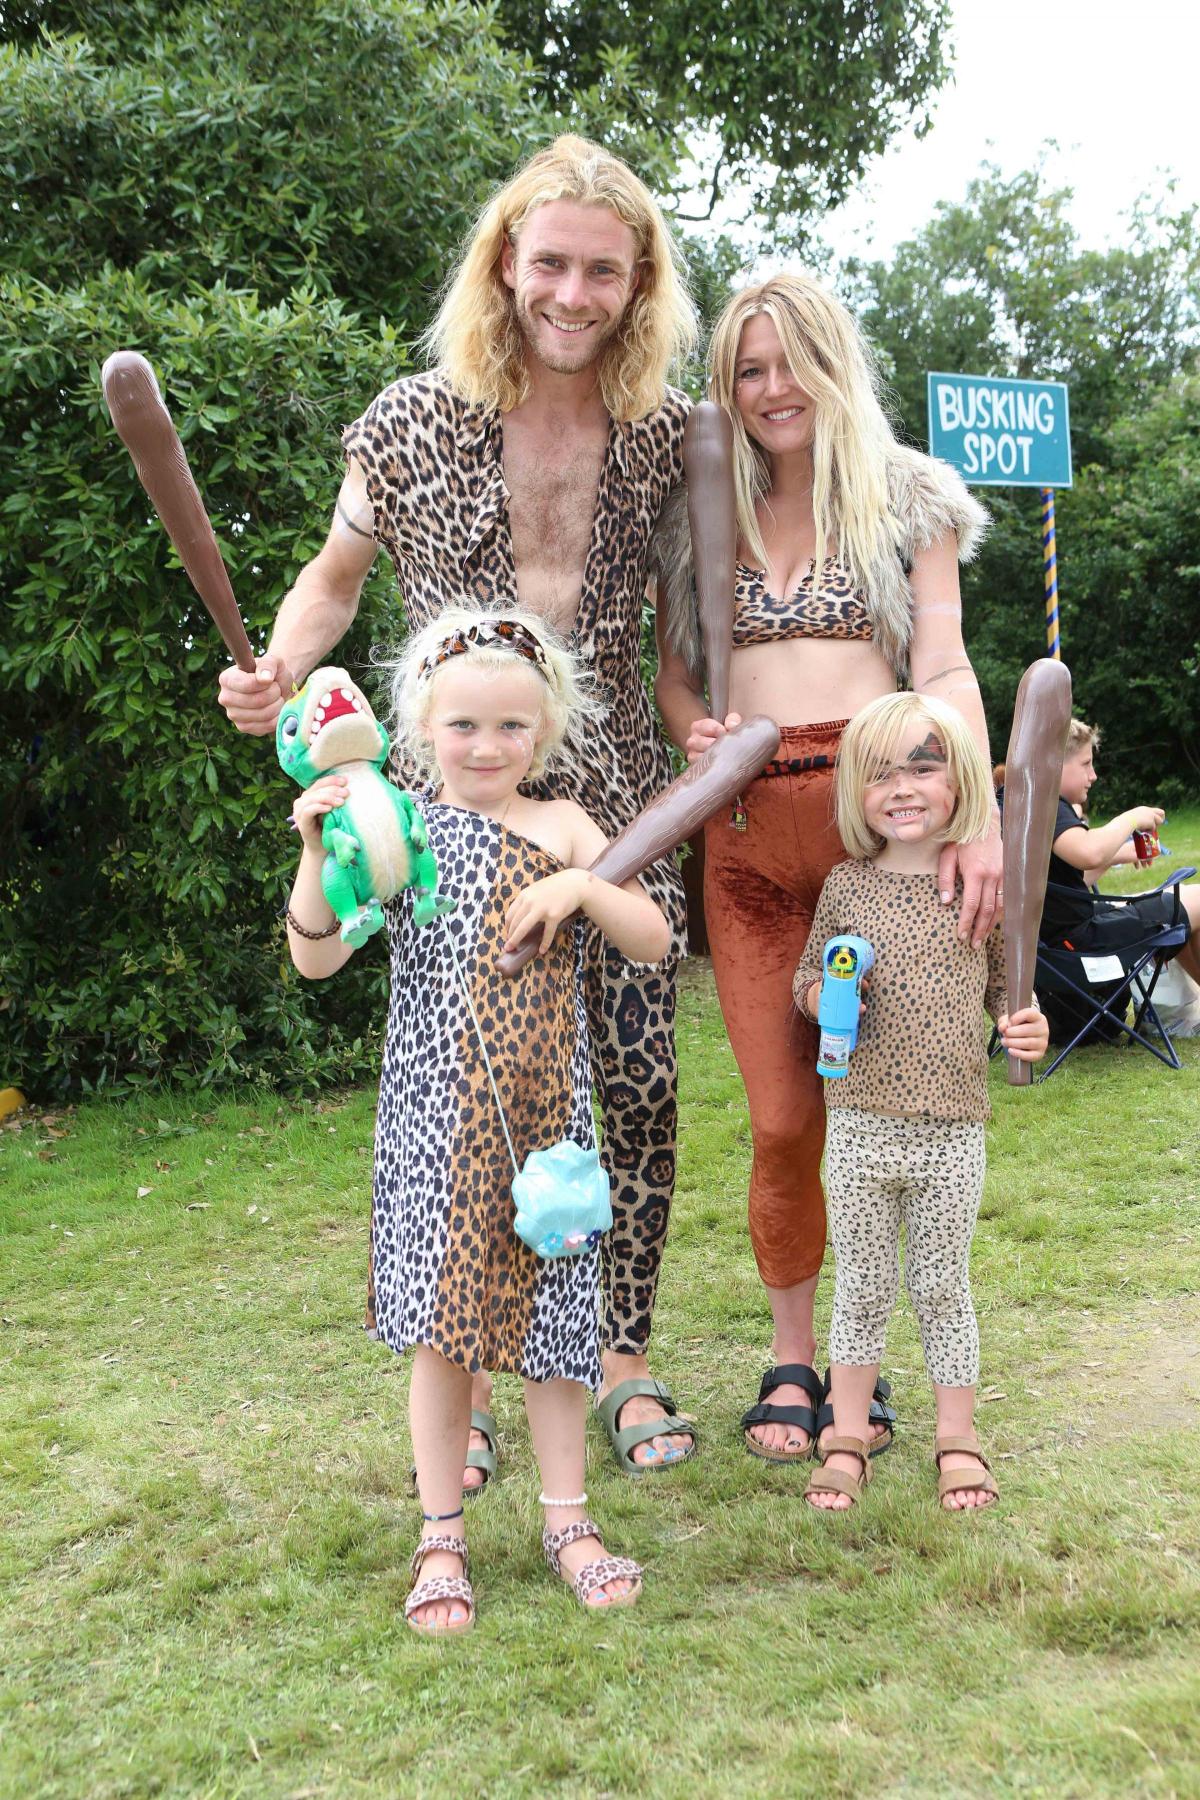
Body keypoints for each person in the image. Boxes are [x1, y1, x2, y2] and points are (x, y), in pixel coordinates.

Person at [220, 136, 700, 1481]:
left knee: (636, 1073)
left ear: (638, 282)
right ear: (507, 262)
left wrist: (692, 723)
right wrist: (280, 667)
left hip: (608, 789)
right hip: (455, 776)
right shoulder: (409, 419)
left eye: (604, 270)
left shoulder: (667, 434)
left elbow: (677, 629)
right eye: (550, 261)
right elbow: (331, 578)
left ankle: (621, 1352)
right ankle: (469, 1372)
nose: (573, 291)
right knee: (465, 1081)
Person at [653, 274, 1002, 1464]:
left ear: (831, 359)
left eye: (790, 360)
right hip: (747, 849)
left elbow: (943, 662)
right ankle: (792, 1359)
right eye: (746, 369)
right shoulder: (702, 508)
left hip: (875, 847)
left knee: (886, 1110)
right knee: (782, 1120)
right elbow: (677, 675)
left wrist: (984, 811)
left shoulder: (907, 500)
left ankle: (867, 1366)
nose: (771, 388)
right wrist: (694, 727)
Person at [285, 608, 671, 1632]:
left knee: (553, 1327)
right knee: (443, 1334)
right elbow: (316, 955)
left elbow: (652, 941)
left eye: (510, 728)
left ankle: (568, 1522)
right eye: (463, 727)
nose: (486, 746)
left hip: (551, 1116)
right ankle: (441, 1534)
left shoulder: (568, 829)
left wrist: (585, 887)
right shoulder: (395, 830)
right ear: (420, 728)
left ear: (540, 738)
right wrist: (321, 842)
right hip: (435, 1118)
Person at [791, 692, 1047, 1512]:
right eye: (879, 774)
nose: (901, 788)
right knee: (861, 1284)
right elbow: (805, 976)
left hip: (951, 1132)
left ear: (959, 777)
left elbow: (1012, 995)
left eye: (923, 766)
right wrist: (824, 998)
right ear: (857, 793)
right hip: (859, 1126)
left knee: (942, 1285)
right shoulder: (846, 886)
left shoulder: (978, 886)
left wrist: (1027, 1027)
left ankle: (957, 1439)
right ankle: (846, 1436)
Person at [1036, 720, 1200, 982]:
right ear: (1056, 763)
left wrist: (1121, 854)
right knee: (1198, 899)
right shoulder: (1047, 805)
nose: (1093, 775)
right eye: (1086, 764)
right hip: (1083, 945)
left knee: (1184, 919)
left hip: (1056, 952)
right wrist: (1134, 817)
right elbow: (1089, 851)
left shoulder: (1022, 802)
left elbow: (1067, 886)